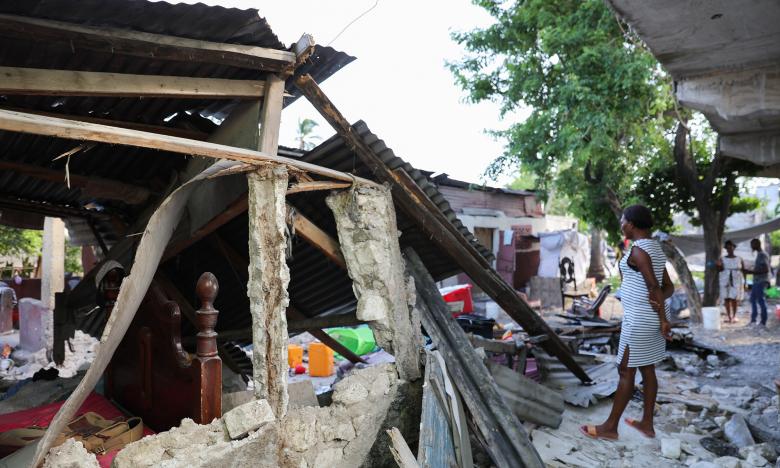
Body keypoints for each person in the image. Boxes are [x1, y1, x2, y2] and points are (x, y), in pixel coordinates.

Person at [581, 205, 673, 440]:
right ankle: (647, 424)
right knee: (648, 367)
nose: (621, 224)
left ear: (631, 224)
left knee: (625, 370)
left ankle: (610, 428)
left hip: (640, 319)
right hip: (649, 317)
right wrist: (660, 313)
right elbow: (667, 288)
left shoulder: (638, 251)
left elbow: (654, 287)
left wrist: (660, 317)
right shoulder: (655, 248)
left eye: (623, 220)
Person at [716, 240, 744, 323]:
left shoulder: (739, 258)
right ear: (726, 249)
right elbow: (719, 270)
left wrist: (745, 282)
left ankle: (734, 316)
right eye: (727, 247)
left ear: (734, 248)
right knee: (726, 298)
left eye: (731, 246)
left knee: (734, 298)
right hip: (724, 279)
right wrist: (719, 265)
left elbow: (743, 270)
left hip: (736, 279)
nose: (729, 248)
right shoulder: (722, 259)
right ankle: (729, 316)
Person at [745, 238, 770, 327]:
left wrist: (751, 272)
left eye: (752, 244)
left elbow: (766, 269)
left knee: (760, 301)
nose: (751, 246)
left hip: (761, 281)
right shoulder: (759, 254)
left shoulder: (762, 255)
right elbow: (761, 268)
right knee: (752, 300)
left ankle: (763, 322)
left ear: (757, 244)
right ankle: (753, 320)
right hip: (757, 281)